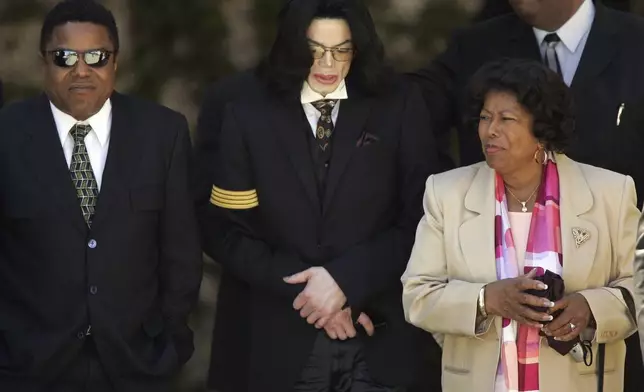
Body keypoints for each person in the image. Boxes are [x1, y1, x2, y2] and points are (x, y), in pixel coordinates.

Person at [198, 0, 442, 390]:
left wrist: (347, 281)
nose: (328, 64)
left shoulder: (398, 102)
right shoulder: (245, 108)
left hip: (378, 332)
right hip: (275, 340)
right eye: (314, 50)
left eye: (342, 50)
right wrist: (315, 293)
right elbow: (224, 228)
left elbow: (425, 215)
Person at [401, 59, 638, 392]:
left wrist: (591, 308)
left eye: (506, 119)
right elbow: (417, 295)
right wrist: (485, 301)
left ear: (541, 129)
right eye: (485, 117)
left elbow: (637, 287)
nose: (489, 130)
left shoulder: (610, 192)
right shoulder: (446, 192)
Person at [0, 1, 202, 391]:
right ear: (44, 61)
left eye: (96, 56)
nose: (81, 70)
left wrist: (170, 340)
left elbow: (182, 252)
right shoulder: (6, 135)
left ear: (115, 62)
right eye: (64, 57)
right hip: (27, 367)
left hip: (137, 366)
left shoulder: (163, 134)